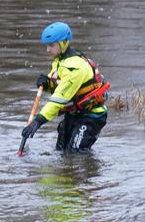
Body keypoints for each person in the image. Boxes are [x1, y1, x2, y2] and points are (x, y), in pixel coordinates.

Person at [21, 22, 109, 152]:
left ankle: (87, 171)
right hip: (74, 114)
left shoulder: (74, 68)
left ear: (63, 43)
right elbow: (59, 88)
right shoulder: (60, 61)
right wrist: (47, 84)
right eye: (47, 45)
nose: (48, 50)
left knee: (75, 152)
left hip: (91, 116)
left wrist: (38, 121)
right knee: (60, 151)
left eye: (51, 45)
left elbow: (59, 99)